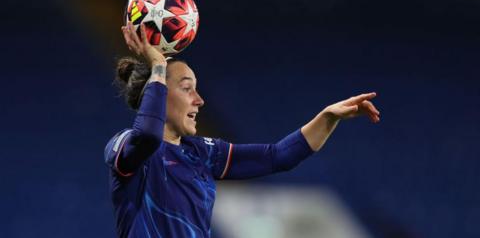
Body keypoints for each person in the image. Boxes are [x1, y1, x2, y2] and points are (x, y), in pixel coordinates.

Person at [104, 22, 381, 238]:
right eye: (187, 88)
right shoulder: (127, 149)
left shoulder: (201, 153)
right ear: (160, 93)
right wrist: (159, 66)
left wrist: (328, 117)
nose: (199, 100)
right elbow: (149, 136)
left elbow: (278, 156)